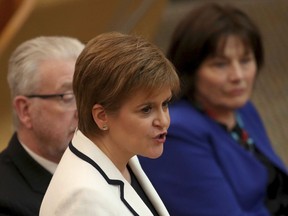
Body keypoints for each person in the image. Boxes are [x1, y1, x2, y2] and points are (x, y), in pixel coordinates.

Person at [139, 2, 288, 215]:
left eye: (245, 61)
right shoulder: (175, 133)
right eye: (220, 64)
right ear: (191, 69)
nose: (238, 76)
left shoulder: (242, 109)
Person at [39, 32, 180, 215]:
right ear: (102, 116)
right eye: (146, 109)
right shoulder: (83, 199)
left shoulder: (125, 155)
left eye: (165, 104)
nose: (163, 121)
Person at [0, 36, 84, 216]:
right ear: (25, 111)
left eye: (87, 94)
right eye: (67, 97)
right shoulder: (5, 201)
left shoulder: (114, 168)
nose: (83, 111)